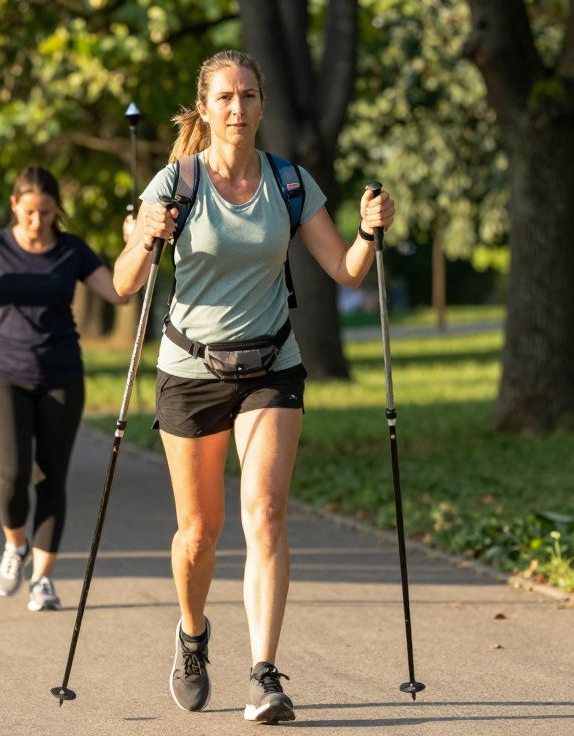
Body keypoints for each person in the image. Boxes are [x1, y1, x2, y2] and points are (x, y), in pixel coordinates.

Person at [113, 50, 395, 724]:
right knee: (199, 534)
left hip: (271, 364)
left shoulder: (290, 183)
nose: (238, 108)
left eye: (248, 96)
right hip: (190, 371)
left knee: (265, 512)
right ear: (205, 109)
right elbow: (125, 284)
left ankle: (265, 674)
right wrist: (145, 235)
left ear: (261, 104)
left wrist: (369, 230)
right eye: (225, 98)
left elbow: (347, 272)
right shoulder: (175, 182)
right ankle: (191, 633)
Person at [0, 166, 128, 612]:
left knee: (51, 477)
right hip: (6, 375)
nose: (38, 221)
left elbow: (119, 293)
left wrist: (137, 242)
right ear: (15, 206)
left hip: (61, 375)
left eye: (46, 212)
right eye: (30, 212)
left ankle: (43, 579)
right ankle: (14, 546)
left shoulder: (72, 250)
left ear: (57, 209)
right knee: (13, 476)